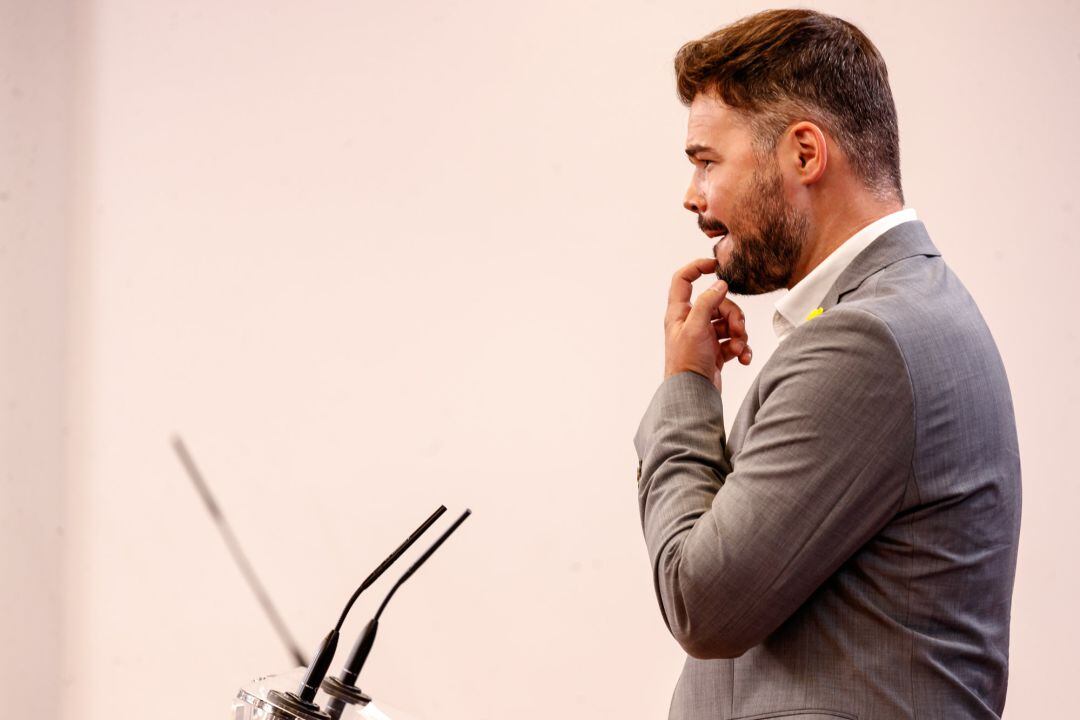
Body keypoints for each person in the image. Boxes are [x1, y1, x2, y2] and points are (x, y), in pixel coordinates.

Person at [632, 9, 1021, 720]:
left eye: (706, 160)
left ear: (804, 155)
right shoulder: (910, 308)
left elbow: (701, 601)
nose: (693, 197)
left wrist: (687, 388)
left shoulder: (866, 343)